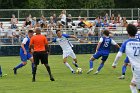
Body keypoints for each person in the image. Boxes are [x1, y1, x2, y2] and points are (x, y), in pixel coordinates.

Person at [112, 24, 140, 93]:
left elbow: (119, 55)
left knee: (136, 87)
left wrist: (114, 64)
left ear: (127, 32)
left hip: (137, 69)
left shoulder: (126, 43)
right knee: (132, 86)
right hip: (137, 68)